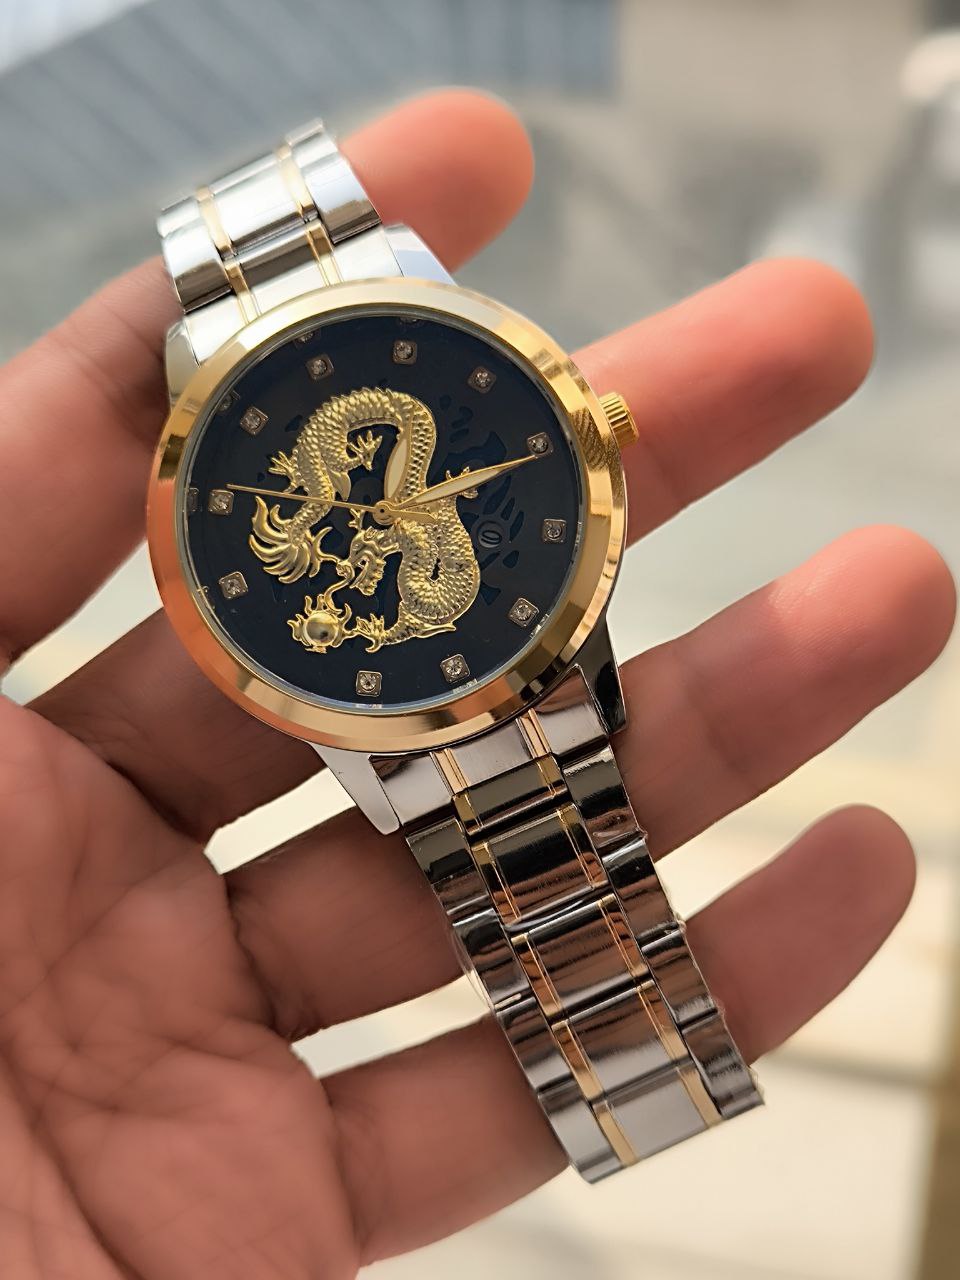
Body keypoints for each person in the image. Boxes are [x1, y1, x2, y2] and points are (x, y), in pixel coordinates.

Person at [0, 90, 953, 1277]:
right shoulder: (294, 485)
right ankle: (636, 1078)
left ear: (594, 428)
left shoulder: (407, 446)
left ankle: (640, 1078)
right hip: (379, 686)